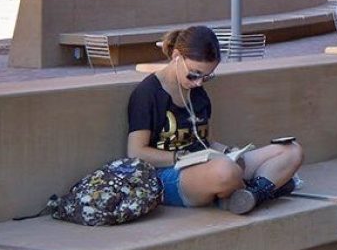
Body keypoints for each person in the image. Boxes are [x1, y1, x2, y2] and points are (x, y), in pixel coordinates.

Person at [125, 26, 304, 213]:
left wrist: (229, 151)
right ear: (176, 56)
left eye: (206, 76)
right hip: (169, 174)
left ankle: (251, 195)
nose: (198, 82)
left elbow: (207, 142)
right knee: (226, 171)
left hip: (209, 165)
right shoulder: (148, 93)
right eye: (194, 74)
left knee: (292, 150)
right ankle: (263, 188)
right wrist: (180, 157)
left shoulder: (197, 92)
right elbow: (136, 152)